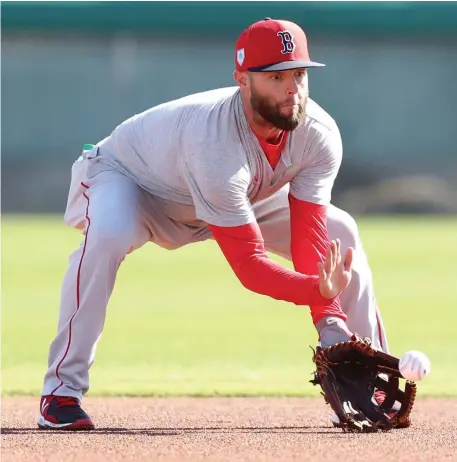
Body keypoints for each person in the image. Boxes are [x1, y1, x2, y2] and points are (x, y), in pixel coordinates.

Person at [38, 17, 388, 431]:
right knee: (109, 234)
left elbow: (311, 235)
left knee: (340, 230)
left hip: (235, 199)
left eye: (298, 74)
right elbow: (250, 266)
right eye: (276, 77)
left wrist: (330, 322)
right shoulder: (215, 140)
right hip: (135, 183)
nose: (292, 87)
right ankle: (61, 390)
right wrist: (316, 292)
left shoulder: (317, 133)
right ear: (242, 80)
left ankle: (371, 379)